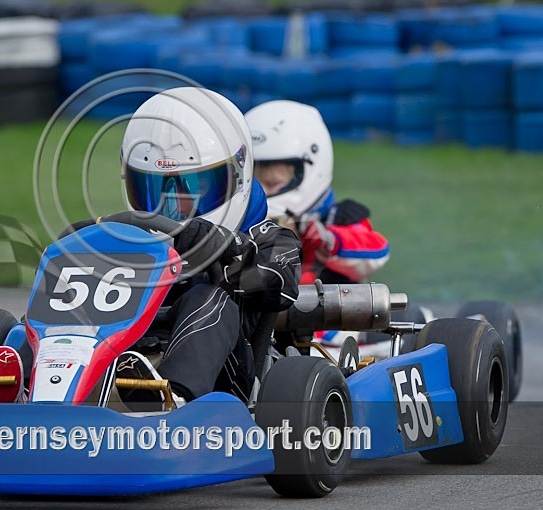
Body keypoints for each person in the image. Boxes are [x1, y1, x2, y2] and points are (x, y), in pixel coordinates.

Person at [67, 87, 302, 409]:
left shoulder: (268, 237)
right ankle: (24, 381)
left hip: (228, 376)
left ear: (238, 172)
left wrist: (226, 248)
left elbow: (280, 287)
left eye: (193, 187)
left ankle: (174, 397)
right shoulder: (129, 239)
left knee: (206, 296)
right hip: (123, 351)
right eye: (154, 188)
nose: (174, 206)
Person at [244, 100, 389, 286]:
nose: (262, 192)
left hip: (331, 309)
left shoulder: (338, 217)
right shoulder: (242, 221)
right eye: (253, 183)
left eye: (272, 183)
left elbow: (377, 250)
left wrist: (326, 240)